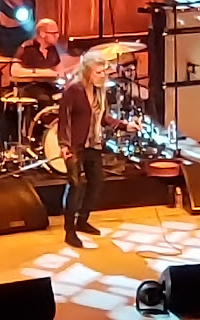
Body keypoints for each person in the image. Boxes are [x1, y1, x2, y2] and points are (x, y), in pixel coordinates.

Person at [58, 51, 141, 248]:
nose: (103, 75)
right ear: (87, 72)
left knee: (96, 184)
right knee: (76, 186)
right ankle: (69, 231)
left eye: (104, 72)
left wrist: (125, 125)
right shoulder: (74, 90)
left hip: (93, 144)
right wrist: (64, 144)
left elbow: (103, 117)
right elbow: (64, 119)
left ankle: (82, 220)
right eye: (98, 72)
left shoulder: (100, 91)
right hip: (75, 146)